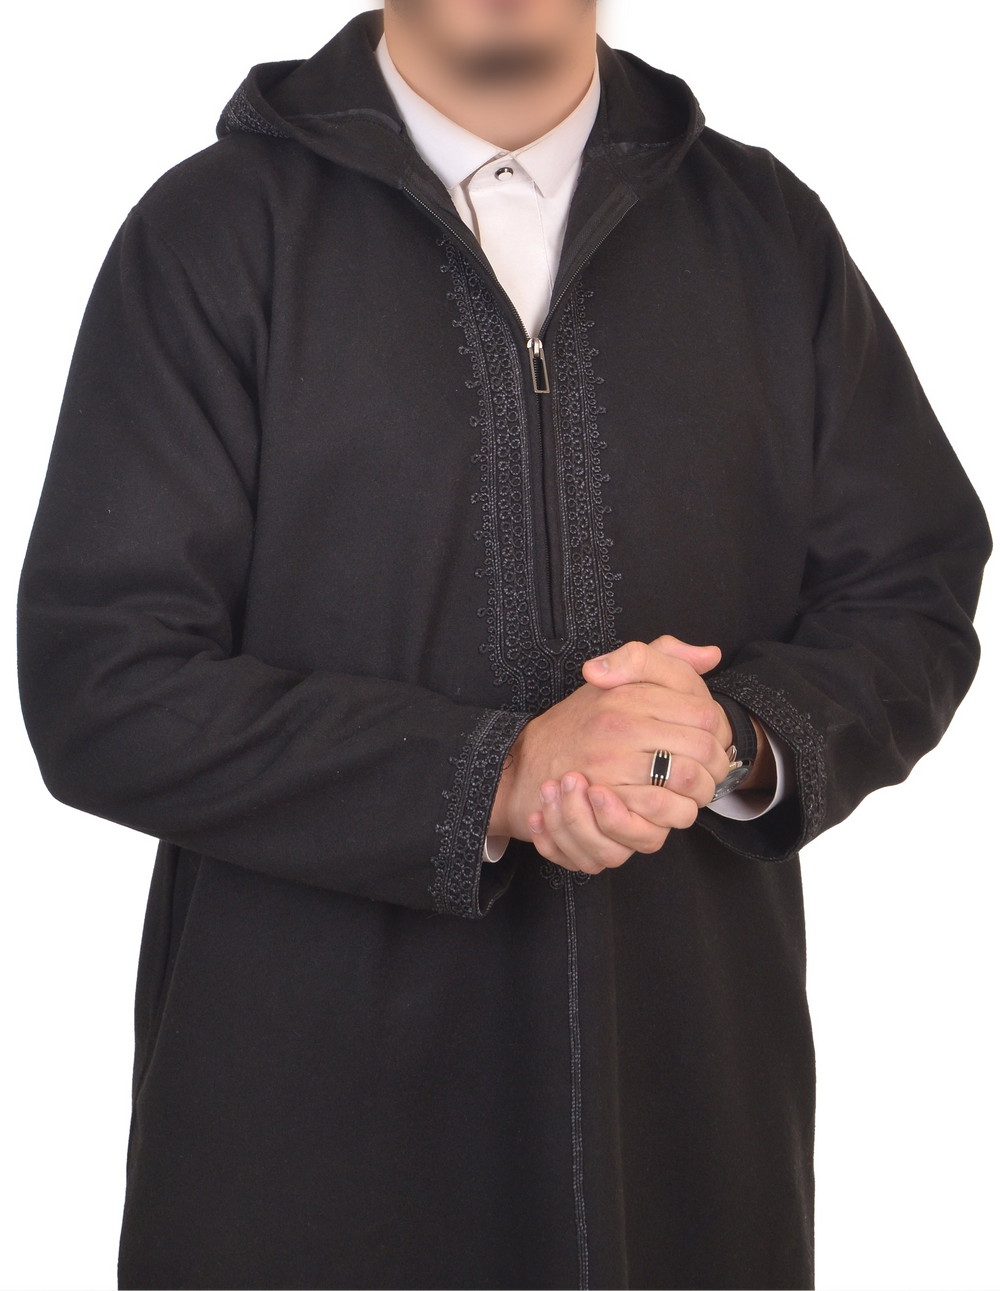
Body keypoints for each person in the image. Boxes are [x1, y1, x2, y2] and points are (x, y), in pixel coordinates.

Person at [16, 2, 991, 1288]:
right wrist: (496, 774)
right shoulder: (215, 234)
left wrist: (729, 739)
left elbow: (911, 585)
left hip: (686, 1118)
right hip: (301, 1132)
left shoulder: (765, 231)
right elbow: (104, 681)